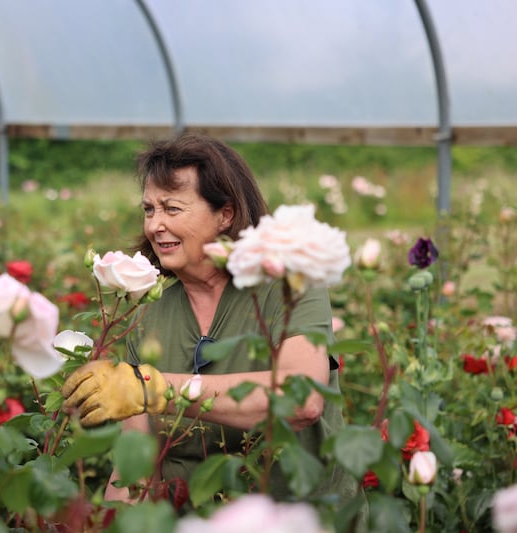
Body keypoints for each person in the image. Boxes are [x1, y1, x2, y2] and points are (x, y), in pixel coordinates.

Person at [61, 133, 355, 508]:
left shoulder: (289, 282)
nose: (155, 225)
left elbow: (301, 401)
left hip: (297, 515)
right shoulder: (148, 307)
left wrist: (157, 388)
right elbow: (135, 467)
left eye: (172, 208)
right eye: (149, 209)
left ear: (225, 215)